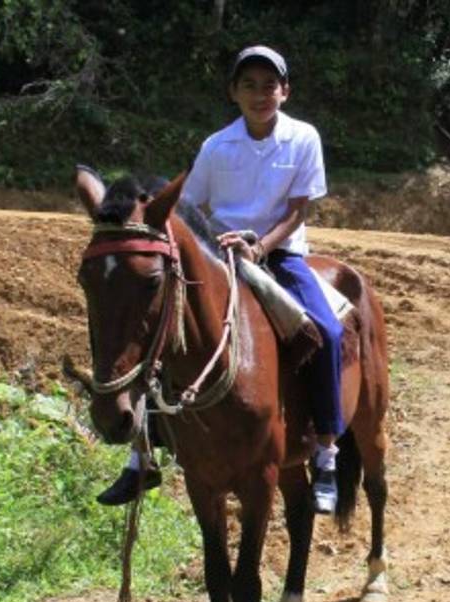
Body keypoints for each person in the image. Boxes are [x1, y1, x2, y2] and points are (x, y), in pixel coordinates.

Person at [97, 44, 344, 513]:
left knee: (327, 331)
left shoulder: (303, 138)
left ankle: (326, 452)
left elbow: (298, 212)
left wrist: (260, 247)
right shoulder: (216, 146)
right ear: (233, 92)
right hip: (220, 254)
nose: (260, 94)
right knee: (162, 329)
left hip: (279, 255)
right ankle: (141, 455)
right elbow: (191, 208)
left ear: (285, 91)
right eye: (249, 85)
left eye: (269, 85)